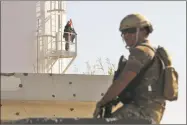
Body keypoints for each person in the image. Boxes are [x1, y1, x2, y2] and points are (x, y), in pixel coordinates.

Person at [93, 13, 168, 124]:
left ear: (143, 31)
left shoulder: (141, 52)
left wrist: (102, 102)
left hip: (142, 111)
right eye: (123, 32)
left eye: (131, 31)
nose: (126, 35)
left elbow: (122, 81)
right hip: (151, 112)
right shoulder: (153, 52)